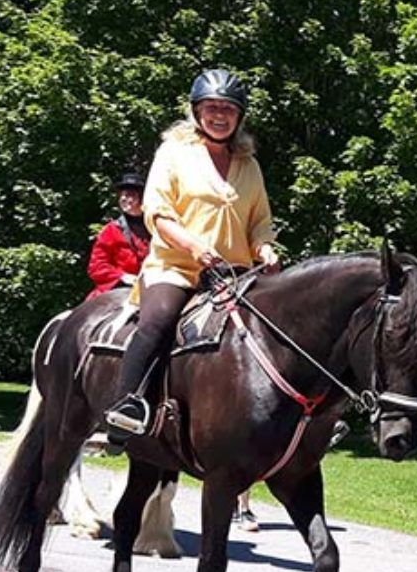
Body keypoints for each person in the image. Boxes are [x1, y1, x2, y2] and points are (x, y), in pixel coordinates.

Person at [104, 69, 281, 449]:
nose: (219, 116)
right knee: (158, 321)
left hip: (233, 276)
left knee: (275, 327)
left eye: (228, 110)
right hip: (176, 268)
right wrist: (194, 246)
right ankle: (126, 407)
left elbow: (260, 222)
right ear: (196, 111)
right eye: (211, 108)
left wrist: (265, 248)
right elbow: (158, 212)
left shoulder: (249, 165)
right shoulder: (174, 153)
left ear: (240, 116)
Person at [87, 172, 151, 299]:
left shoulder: (156, 227)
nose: (123, 199)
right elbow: (96, 267)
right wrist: (122, 276)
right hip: (118, 288)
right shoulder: (111, 230)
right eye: (122, 195)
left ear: (142, 198)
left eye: (130, 195)